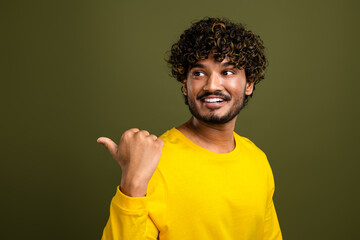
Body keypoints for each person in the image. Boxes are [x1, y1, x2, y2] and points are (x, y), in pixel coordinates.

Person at [98, 17, 282, 240]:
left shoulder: (258, 162)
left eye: (227, 72)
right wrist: (132, 185)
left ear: (249, 84)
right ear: (185, 85)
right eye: (199, 73)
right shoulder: (154, 162)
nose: (212, 85)